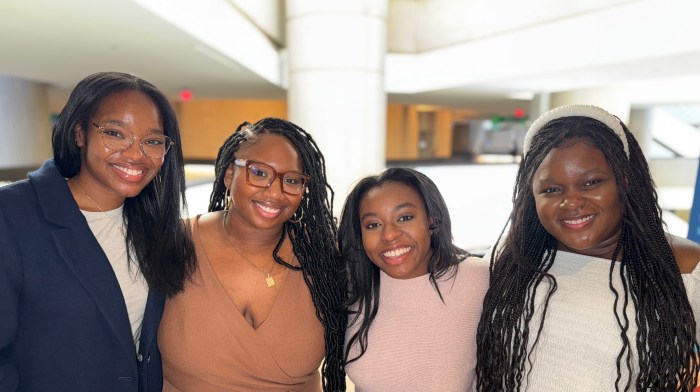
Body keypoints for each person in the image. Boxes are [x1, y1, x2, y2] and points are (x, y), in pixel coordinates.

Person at [476, 104, 700, 391]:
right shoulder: (511, 255)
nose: (572, 202)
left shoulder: (685, 267)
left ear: (625, 181)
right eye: (551, 189)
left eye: (592, 182)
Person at [0, 71, 196, 391]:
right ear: (79, 133)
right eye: (115, 133)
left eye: (152, 141)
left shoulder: (157, 225)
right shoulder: (12, 214)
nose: (135, 154)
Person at [158, 117, 346, 391]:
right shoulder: (172, 243)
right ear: (229, 175)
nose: (275, 192)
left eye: (292, 180)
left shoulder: (323, 256)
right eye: (259, 173)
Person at [339, 167, 490, 391]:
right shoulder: (354, 286)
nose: (389, 235)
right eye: (373, 225)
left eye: (405, 217)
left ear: (431, 220)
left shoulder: (478, 279)